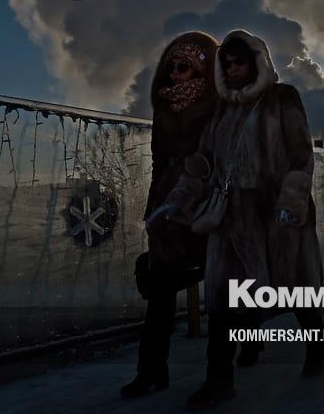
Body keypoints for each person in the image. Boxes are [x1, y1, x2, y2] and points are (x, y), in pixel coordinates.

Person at [155, 30, 324, 409]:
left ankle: (317, 346)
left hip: (277, 214)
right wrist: (178, 201)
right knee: (222, 300)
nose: (233, 69)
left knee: (296, 289)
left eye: (240, 62)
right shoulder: (223, 110)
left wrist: (291, 202)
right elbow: (202, 163)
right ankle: (219, 379)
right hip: (232, 219)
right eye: (227, 63)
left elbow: (301, 156)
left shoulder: (282, 98)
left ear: (257, 62)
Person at [121, 31, 218, 399]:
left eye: (183, 67)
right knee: (160, 291)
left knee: (221, 287)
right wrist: (153, 207)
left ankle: (222, 371)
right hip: (168, 208)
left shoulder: (217, 107)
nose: (175, 74)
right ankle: (150, 370)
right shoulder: (164, 106)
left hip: (206, 204)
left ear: (200, 72)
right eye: (171, 67)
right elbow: (159, 163)